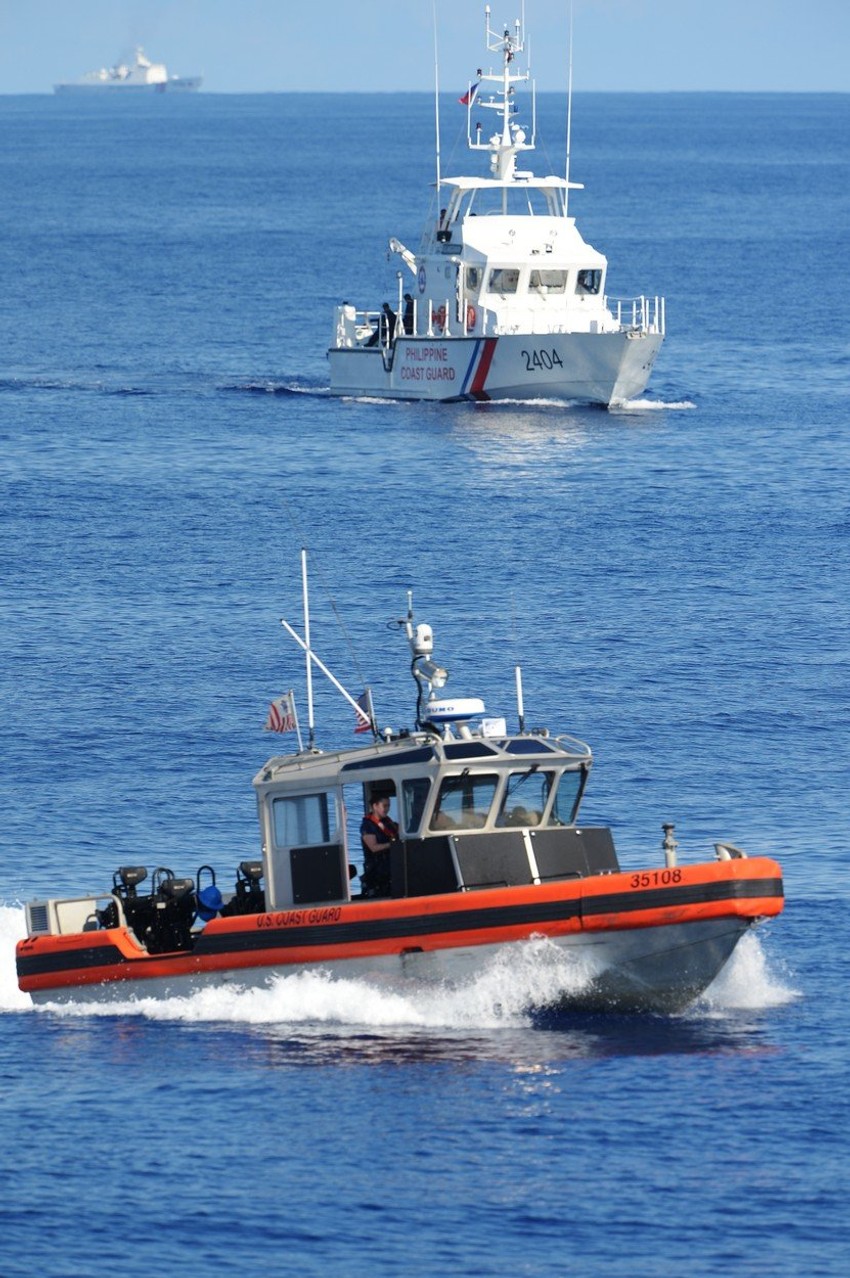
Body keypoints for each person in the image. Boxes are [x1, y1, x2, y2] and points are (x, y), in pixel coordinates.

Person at [360, 793, 398, 897]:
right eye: (384, 806)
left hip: (390, 867)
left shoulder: (388, 822)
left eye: (388, 806)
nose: (387, 809)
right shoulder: (367, 826)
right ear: (375, 806)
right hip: (376, 870)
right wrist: (392, 845)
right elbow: (373, 848)